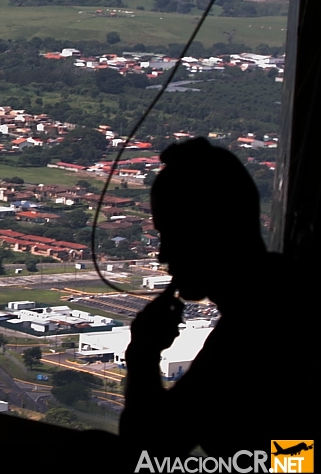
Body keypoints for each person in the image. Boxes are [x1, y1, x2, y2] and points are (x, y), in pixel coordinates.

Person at [120, 138, 306, 457]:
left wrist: (142, 354)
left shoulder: (256, 327)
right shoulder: (280, 295)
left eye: (173, 236)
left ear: (212, 233)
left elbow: (151, 448)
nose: (164, 255)